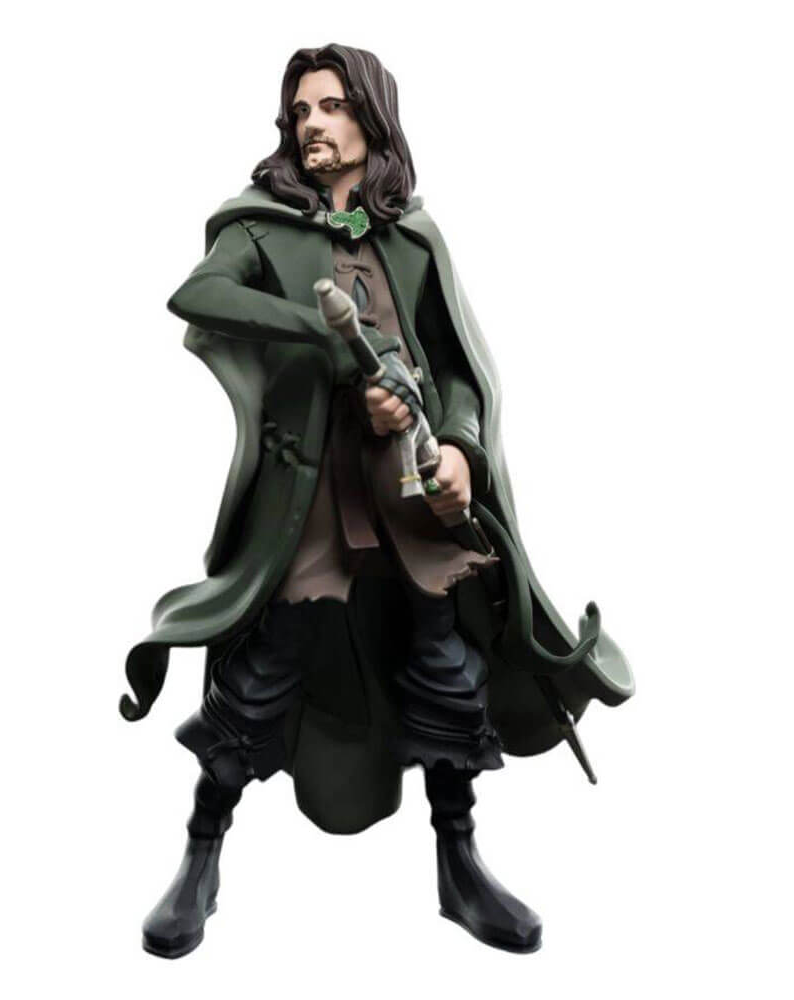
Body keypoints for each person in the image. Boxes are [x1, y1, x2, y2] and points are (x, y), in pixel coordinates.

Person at [121, 42, 633, 958]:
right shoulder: (263, 226)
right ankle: (201, 853)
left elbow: (458, 367)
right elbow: (198, 293)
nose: (311, 123)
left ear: (371, 116)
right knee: (263, 669)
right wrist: (320, 337)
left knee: (445, 666)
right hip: (314, 494)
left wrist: (461, 446)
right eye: (300, 110)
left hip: (410, 488)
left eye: (330, 106)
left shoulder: (412, 236)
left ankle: (459, 861)